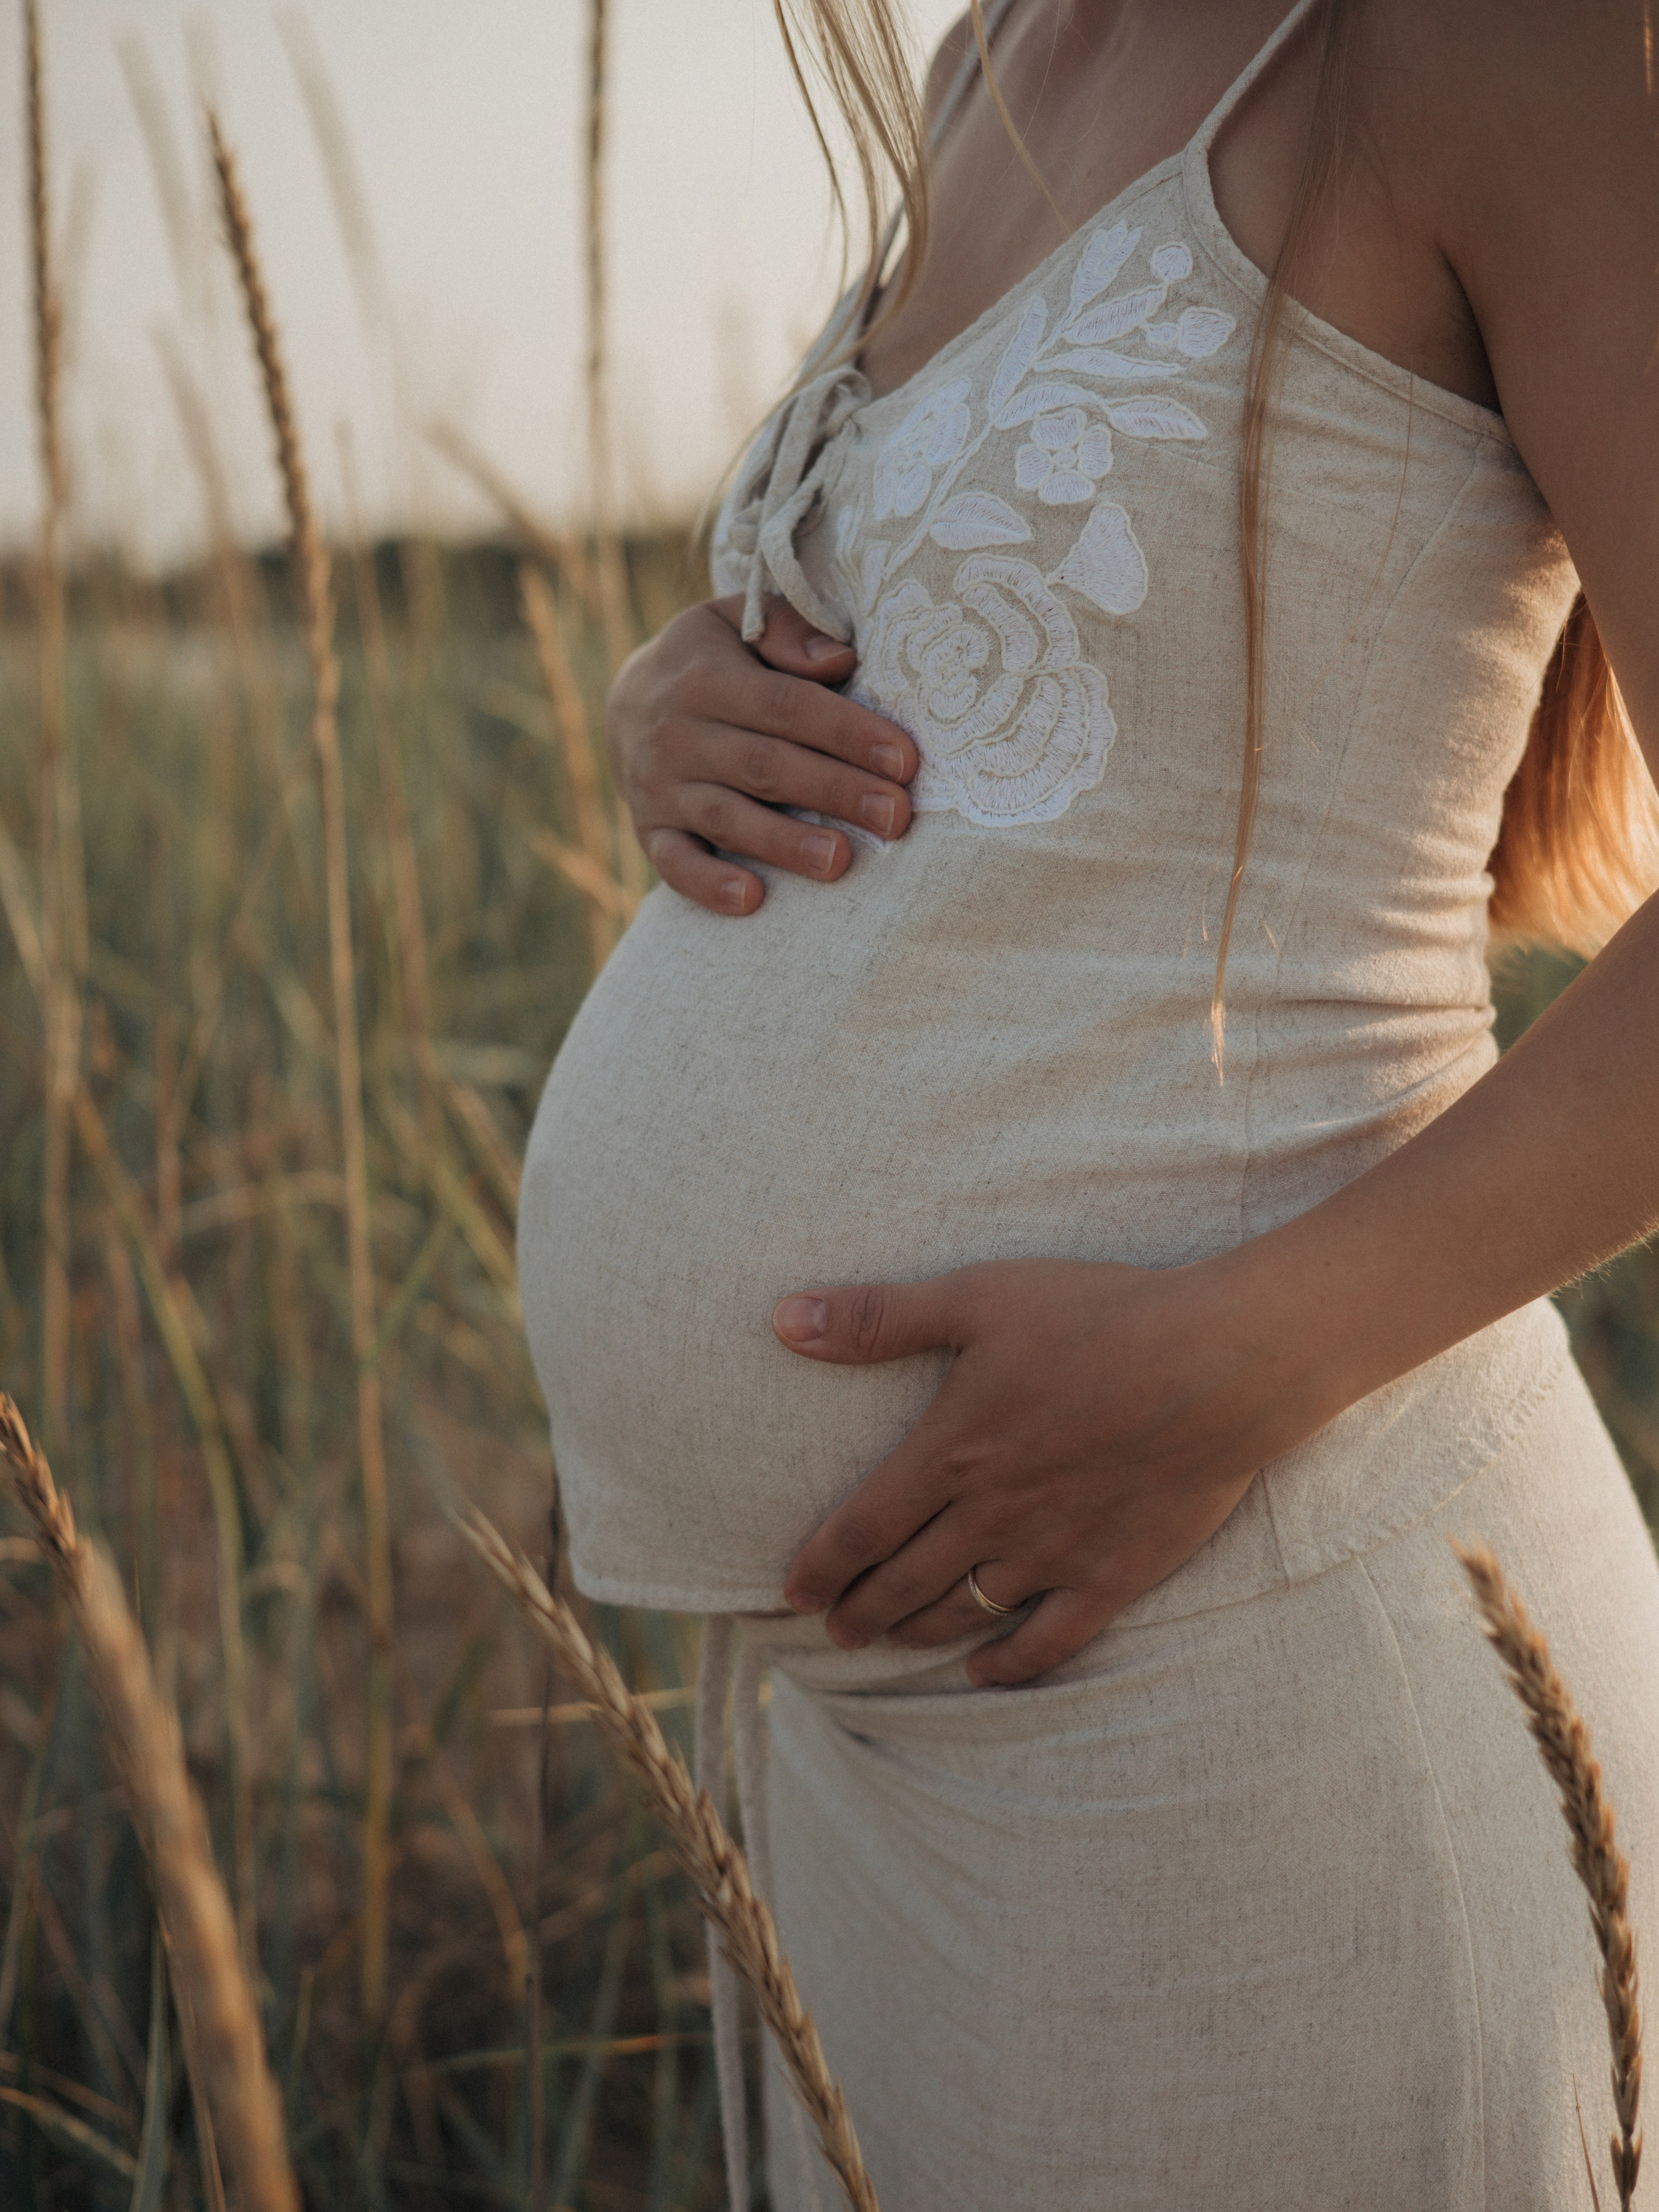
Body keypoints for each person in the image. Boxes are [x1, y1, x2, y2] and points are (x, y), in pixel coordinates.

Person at [518, 1, 1659, 2203]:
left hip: (1267, 1692)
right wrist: (687, 686)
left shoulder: (1485, 44)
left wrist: (1240, 1362)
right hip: (872, 1759)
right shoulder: (990, 57)